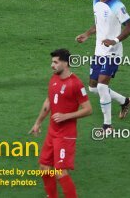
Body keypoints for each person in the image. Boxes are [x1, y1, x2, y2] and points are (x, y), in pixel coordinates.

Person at [75, 0, 130, 133]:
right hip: (99, 52)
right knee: (93, 88)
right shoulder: (95, 1)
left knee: (102, 86)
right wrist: (87, 34)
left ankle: (107, 125)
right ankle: (125, 101)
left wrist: (114, 40)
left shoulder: (116, 4)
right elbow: (98, 24)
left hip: (113, 52)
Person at [29, 49, 92, 198]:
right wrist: (38, 123)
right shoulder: (54, 79)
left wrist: (66, 116)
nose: (52, 65)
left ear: (65, 63)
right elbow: (48, 103)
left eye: (55, 62)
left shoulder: (75, 84)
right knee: (44, 167)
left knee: (60, 172)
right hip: (52, 132)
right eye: (52, 62)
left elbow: (88, 109)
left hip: (65, 135)